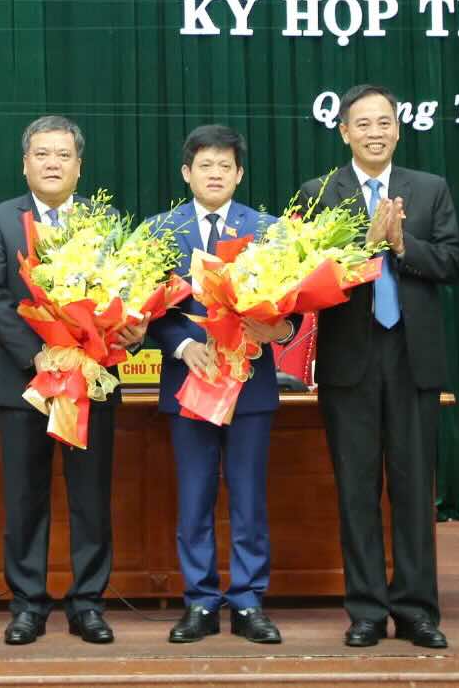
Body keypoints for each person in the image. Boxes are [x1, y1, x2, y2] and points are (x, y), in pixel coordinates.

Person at [296, 84, 459, 649]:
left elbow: (452, 262)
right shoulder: (319, 192)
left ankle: (416, 609)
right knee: (357, 488)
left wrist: (401, 243)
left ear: (398, 128)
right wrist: (362, 250)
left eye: (383, 121)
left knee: (415, 489)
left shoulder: (430, 189)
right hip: (350, 361)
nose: (374, 131)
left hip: (413, 358)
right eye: (361, 123)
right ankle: (366, 608)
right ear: (343, 131)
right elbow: (306, 280)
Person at [0, 115, 146, 646]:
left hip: (92, 381)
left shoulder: (108, 220)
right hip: (28, 383)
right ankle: (28, 604)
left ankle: (88, 603)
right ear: (25, 162)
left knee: (91, 497)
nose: (53, 163)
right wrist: (41, 356)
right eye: (42, 154)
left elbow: (123, 293)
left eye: (63, 155)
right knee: (25, 498)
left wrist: (121, 331)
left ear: (79, 164)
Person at [147, 125, 295, 645]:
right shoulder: (160, 230)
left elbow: (290, 312)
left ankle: (250, 601)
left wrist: (278, 328)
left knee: (249, 498)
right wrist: (185, 346)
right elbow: (149, 312)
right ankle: (201, 601)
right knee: (194, 497)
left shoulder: (270, 230)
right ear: (187, 173)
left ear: (239, 174)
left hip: (250, 387)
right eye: (204, 165)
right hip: (192, 382)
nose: (215, 173)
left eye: (224, 166)